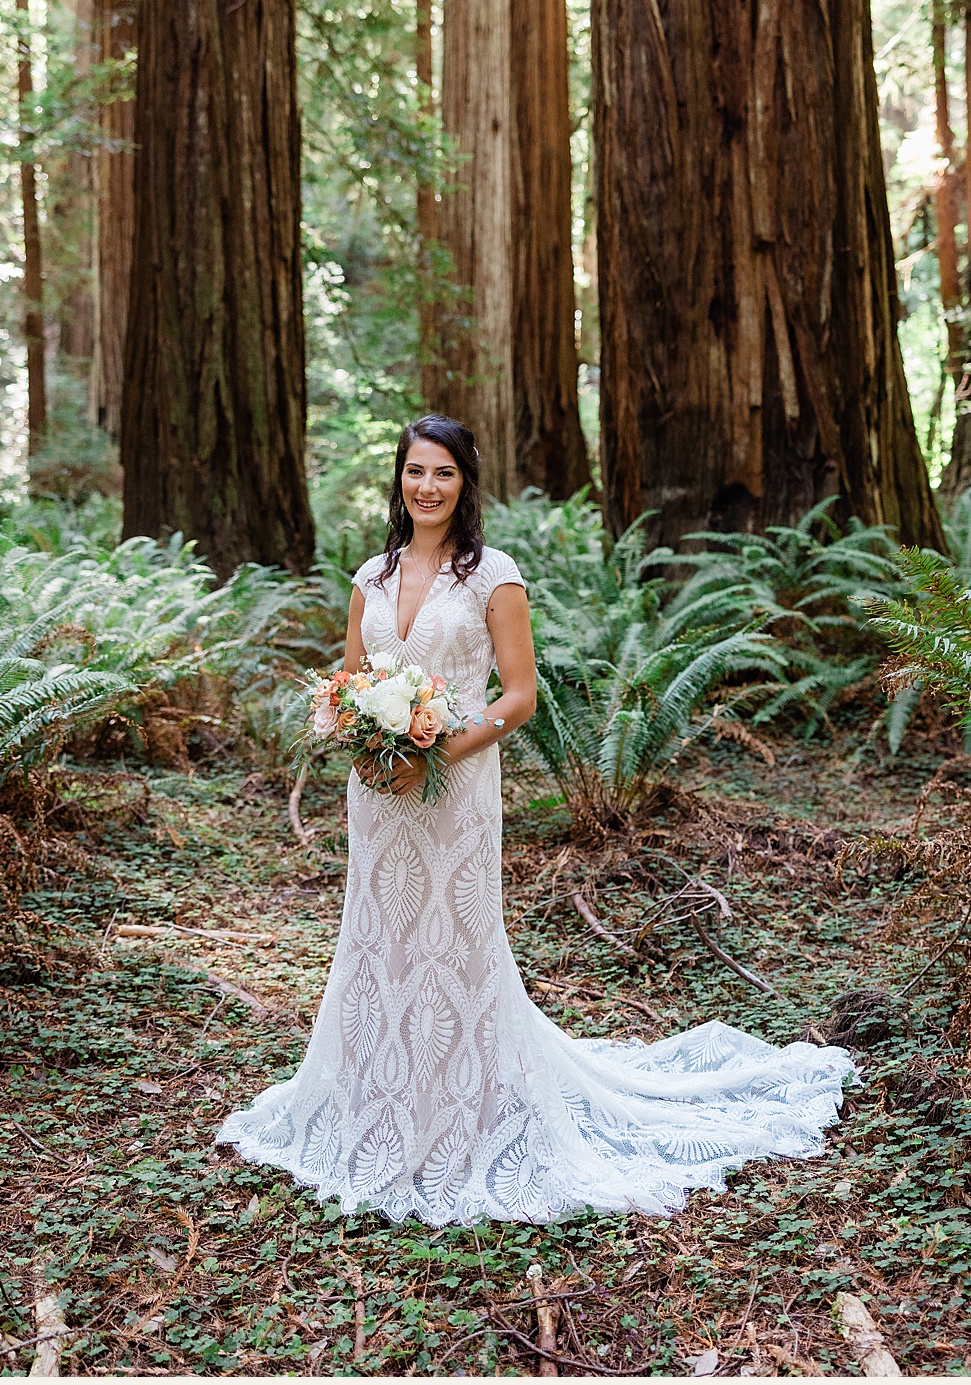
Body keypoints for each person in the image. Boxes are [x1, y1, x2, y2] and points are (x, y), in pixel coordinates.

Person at [217, 415, 857, 1223]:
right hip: (379, 794)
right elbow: (347, 687)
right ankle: (380, 1101)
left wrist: (437, 749)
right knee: (382, 935)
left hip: (454, 786)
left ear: (465, 482)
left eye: (443, 473)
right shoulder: (369, 578)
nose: (427, 487)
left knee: (455, 940)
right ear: (398, 480)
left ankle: (460, 1113)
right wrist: (367, 750)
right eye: (415, 471)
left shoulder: (493, 577)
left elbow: (517, 696)